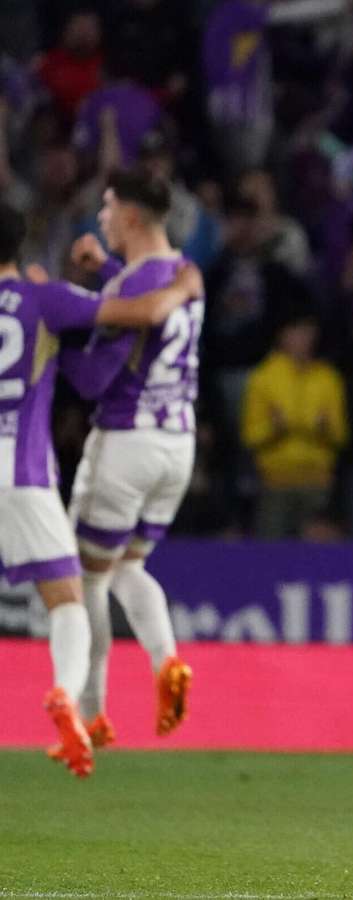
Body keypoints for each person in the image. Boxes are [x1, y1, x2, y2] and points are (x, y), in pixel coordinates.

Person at [0, 201, 200, 778]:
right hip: (25, 477)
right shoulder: (46, 300)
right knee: (71, 598)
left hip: (117, 453)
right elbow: (140, 310)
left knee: (100, 575)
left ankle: (96, 708)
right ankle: (73, 700)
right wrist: (185, 284)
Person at [64, 166, 205, 747]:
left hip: (125, 443)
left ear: (128, 215)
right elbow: (145, 295)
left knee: (85, 580)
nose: (100, 217)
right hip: (178, 445)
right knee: (129, 567)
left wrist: (56, 347)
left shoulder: (130, 289)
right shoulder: (184, 272)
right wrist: (104, 271)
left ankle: (93, 710)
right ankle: (166, 660)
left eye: (106, 206)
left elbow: (95, 380)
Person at [241, 312, 348, 538]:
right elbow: (250, 436)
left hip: (318, 481)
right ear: (283, 335)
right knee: (271, 554)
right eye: (297, 331)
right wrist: (275, 428)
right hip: (275, 482)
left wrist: (324, 428)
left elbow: (341, 436)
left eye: (308, 331)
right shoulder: (263, 377)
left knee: (316, 557)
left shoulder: (327, 377)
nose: (303, 338)